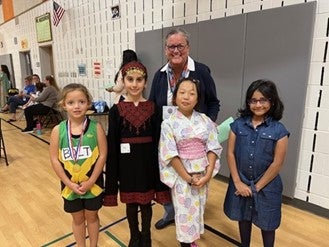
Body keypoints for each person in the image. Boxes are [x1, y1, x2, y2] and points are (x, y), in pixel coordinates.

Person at [149, 27, 220, 230]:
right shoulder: (160, 75)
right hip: (169, 138)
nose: (176, 50)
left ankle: (193, 221)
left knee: (194, 184)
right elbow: (154, 106)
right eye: (171, 46)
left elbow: (214, 102)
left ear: (188, 47)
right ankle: (171, 213)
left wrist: (209, 123)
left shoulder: (202, 72)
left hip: (193, 143)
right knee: (169, 182)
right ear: (165, 50)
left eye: (180, 45)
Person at [103, 61, 171, 247]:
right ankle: (134, 235)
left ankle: (146, 236)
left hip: (147, 163)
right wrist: (114, 171)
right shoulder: (116, 110)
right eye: (130, 79)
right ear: (123, 81)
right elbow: (113, 142)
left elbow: (159, 139)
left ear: (145, 83)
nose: (134, 84)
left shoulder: (153, 107)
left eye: (139, 80)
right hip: (126, 165)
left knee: (146, 202)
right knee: (131, 203)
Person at [223, 79, 289, 247]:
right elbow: (230, 154)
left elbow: (277, 163)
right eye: (253, 100)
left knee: (268, 224)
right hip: (241, 182)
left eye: (263, 100)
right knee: (243, 218)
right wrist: (238, 182)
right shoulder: (237, 125)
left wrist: (256, 187)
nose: (258, 104)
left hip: (267, 186)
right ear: (248, 102)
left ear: (272, 101)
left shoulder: (279, 130)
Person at [158, 77, 222, 247]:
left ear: (197, 98)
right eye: (182, 92)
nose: (186, 97)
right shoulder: (168, 123)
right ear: (174, 97)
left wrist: (207, 175)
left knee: (197, 209)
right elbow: (170, 153)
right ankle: (185, 244)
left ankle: (192, 241)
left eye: (192, 93)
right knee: (184, 213)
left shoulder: (205, 120)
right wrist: (187, 177)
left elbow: (213, 147)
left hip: (202, 174)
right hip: (182, 176)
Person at [49, 83, 107, 247]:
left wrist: (91, 181)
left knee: (92, 217)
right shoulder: (57, 131)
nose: (76, 106)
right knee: (78, 219)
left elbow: (103, 155)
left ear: (88, 103)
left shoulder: (96, 128)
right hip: (69, 186)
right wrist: (68, 183)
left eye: (81, 102)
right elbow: (54, 159)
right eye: (71, 102)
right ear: (63, 105)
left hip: (93, 184)